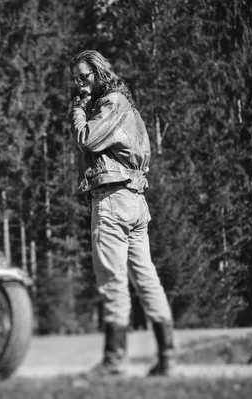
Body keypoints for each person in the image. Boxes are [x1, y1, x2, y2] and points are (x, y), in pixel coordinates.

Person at [69, 50, 175, 377]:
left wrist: (77, 109)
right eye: (75, 79)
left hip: (113, 201)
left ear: (99, 73)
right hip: (135, 200)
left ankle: (114, 361)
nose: (79, 84)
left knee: (113, 281)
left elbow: (86, 139)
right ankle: (167, 356)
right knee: (146, 279)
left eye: (84, 76)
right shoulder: (127, 106)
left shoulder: (111, 104)